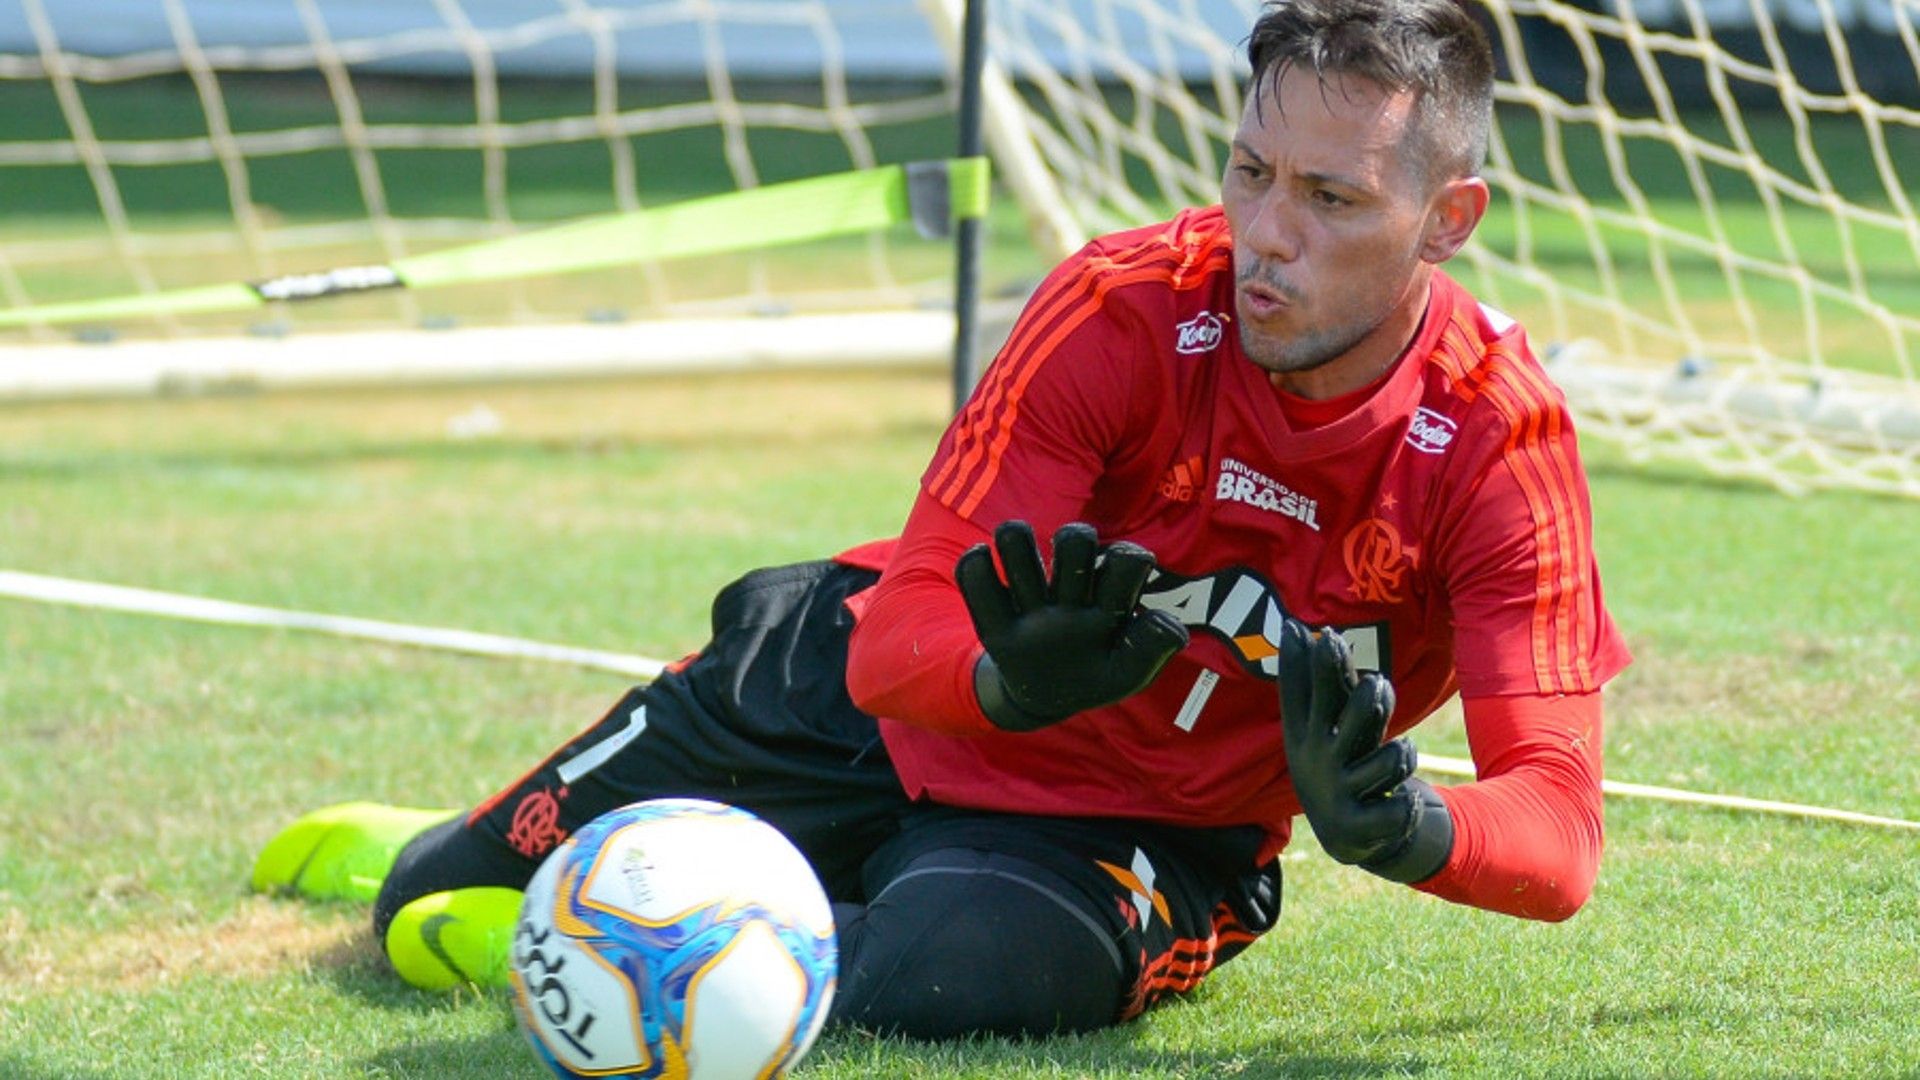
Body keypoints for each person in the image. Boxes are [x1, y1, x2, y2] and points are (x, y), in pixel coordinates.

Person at [253, 0, 1629, 1039]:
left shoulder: (1499, 440)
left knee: (957, 976)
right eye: (1251, 170)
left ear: (1449, 219)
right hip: (860, 701)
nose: (1266, 231)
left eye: (1332, 199)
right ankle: (472, 846)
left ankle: (668, 917)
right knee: (417, 905)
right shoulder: (1120, 307)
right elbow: (896, 635)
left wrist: (1405, 826)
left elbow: (1558, 830)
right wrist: (1005, 677)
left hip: (1110, 830)